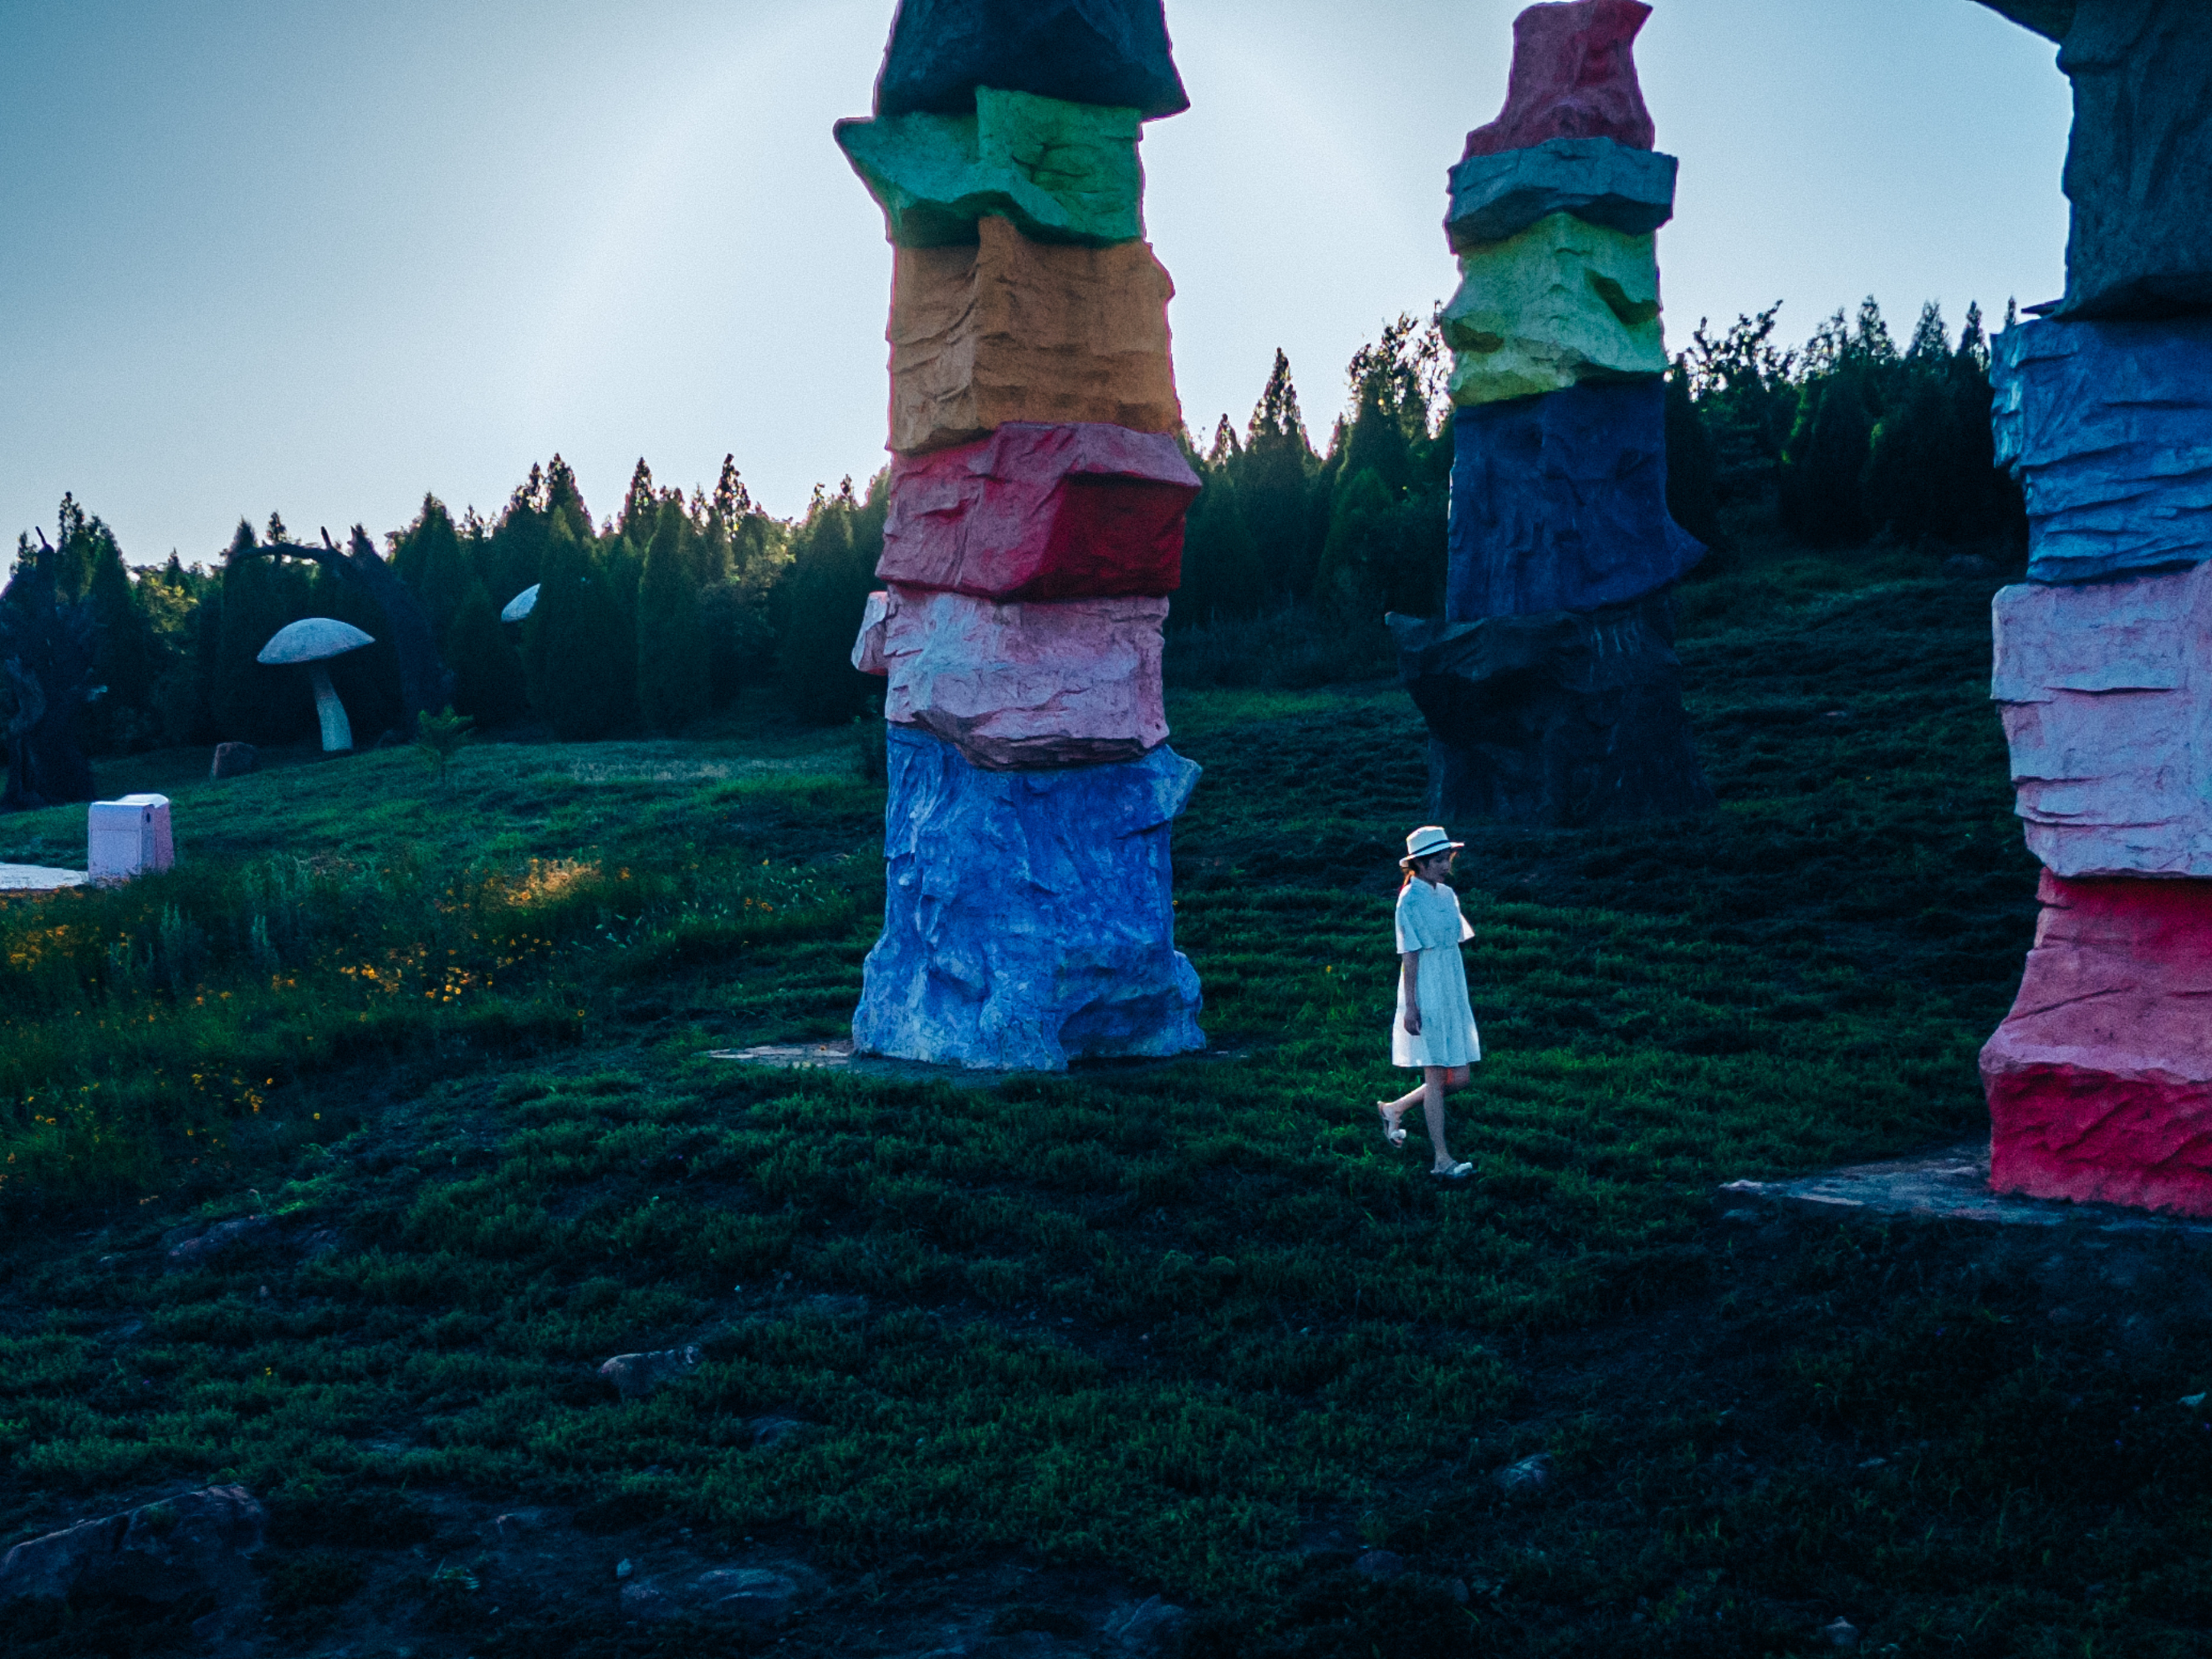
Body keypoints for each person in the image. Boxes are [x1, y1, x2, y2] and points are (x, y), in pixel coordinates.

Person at [1376, 825, 1478, 1180]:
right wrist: (1412, 1006)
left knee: (1460, 1077)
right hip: (1428, 987)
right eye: (1437, 861)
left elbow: (1455, 941)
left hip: (1452, 984)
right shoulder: (1410, 900)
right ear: (1418, 864)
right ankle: (1441, 1159)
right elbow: (1410, 956)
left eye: (1446, 859)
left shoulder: (1447, 895)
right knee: (1435, 1076)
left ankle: (1395, 1108)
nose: (1444, 866)